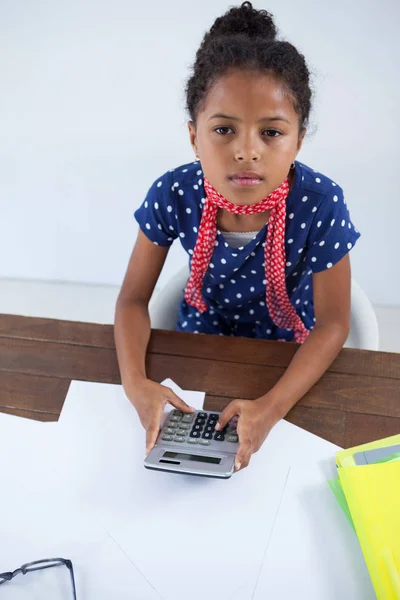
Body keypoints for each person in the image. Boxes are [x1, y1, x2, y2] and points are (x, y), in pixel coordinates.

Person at [114, 2, 360, 472]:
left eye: (271, 132)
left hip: (289, 355)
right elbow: (131, 300)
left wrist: (270, 409)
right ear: (193, 136)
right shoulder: (175, 192)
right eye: (223, 129)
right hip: (198, 348)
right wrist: (135, 384)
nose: (247, 152)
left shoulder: (321, 202)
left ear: (299, 141)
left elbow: (333, 324)